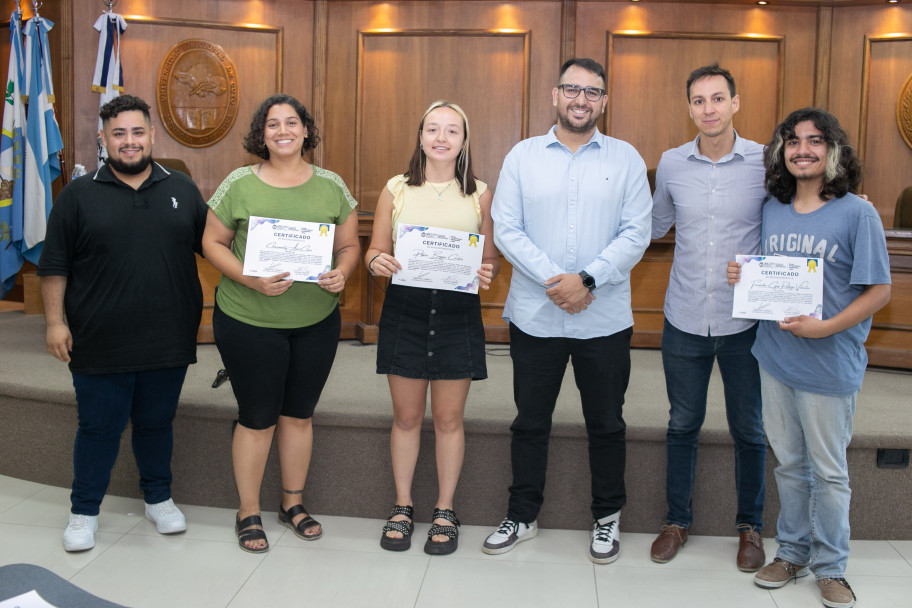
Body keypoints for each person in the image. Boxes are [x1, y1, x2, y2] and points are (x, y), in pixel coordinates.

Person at [483, 58, 652, 564]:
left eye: (593, 92)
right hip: (536, 316)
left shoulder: (625, 159)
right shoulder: (522, 156)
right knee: (530, 421)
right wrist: (557, 282)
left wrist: (588, 280)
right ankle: (523, 515)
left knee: (607, 422)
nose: (582, 99)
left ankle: (607, 519)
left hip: (603, 318)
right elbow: (506, 228)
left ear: (604, 100)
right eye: (572, 89)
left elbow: (636, 232)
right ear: (555, 95)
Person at [728, 108, 891, 608]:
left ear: (832, 150)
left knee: (829, 470)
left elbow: (879, 291)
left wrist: (825, 327)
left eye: (815, 141)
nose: (803, 149)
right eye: (793, 141)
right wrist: (744, 279)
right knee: (790, 465)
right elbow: (764, 271)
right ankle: (793, 551)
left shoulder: (856, 213)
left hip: (830, 363)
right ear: (781, 151)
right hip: (775, 358)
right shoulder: (772, 208)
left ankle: (832, 566)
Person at [37, 94, 207, 552]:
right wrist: (55, 322)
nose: (129, 142)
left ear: (152, 135)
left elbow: (218, 247)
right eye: (118, 134)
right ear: (103, 139)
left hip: (168, 338)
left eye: (137, 132)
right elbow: (54, 266)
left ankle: (159, 499)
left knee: (157, 424)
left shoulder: (184, 190)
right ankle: (84, 511)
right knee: (98, 428)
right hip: (99, 340)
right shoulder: (78, 195)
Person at [202, 94, 360, 553]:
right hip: (249, 319)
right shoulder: (239, 182)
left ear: (306, 130)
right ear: (262, 134)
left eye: (292, 122)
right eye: (273, 124)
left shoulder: (332, 185)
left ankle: (292, 504)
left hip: (315, 321)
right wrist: (249, 278)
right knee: (257, 419)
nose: (283, 130)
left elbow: (349, 246)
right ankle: (247, 511)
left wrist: (342, 272)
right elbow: (212, 242)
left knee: (298, 416)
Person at [365, 101, 499, 556]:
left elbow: (490, 259)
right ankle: (402, 507)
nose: (441, 138)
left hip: (458, 312)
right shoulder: (395, 189)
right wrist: (376, 261)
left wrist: (488, 272)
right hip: (406, 309)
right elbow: (375, 252)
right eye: (433, 130)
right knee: (405, 417)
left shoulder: (480, 194)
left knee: (447, 418)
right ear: (420, 136)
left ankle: (445, 509)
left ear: (464, 141)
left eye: (452, 131)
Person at [649, 64, 768, 570]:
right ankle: (677, 521)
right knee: (682, 423)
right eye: (698, 101)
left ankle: (751, 528)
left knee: (750, 428)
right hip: (684, 318)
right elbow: (650, 226)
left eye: (718, 99)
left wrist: (851, 204)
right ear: (689, 107)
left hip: (746, 322)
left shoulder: (768, 161)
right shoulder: (672, 163)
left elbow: (805, 207)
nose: (709, 109)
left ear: (735, 103)